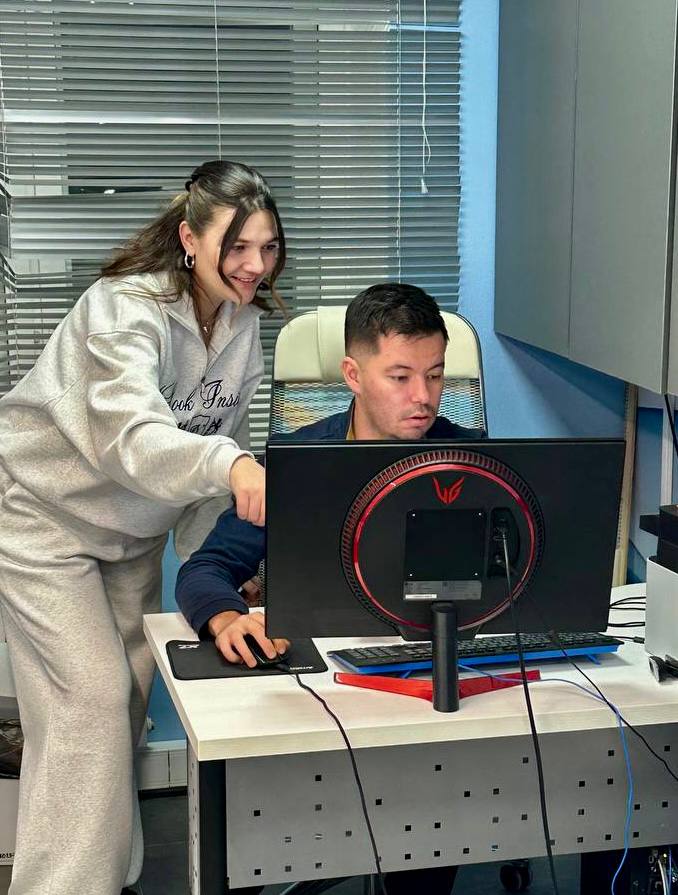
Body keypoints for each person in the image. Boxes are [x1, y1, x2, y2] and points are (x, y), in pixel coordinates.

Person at [0, 159, 286, 895]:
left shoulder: (241, 323)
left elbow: (210, 460)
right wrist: (232, 465)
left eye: (268, 247)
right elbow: (134, 438)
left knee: (122, 703)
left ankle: (110, 874)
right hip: (43, 519)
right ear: (189, 238)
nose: (255, 265)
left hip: (131, 534)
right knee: (89, 703)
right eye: (237, 246)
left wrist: (225, 571)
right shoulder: (124, 308)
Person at [176, 282, 486, 895]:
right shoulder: (296, 462)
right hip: (315, 692)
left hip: (425, 688)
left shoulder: (470, 458)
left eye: (435, 375)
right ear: (352, 375)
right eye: (400, 377)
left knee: (430, 829)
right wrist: (227, 617)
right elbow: (204, 570)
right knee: (248, 846)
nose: (423, 397)